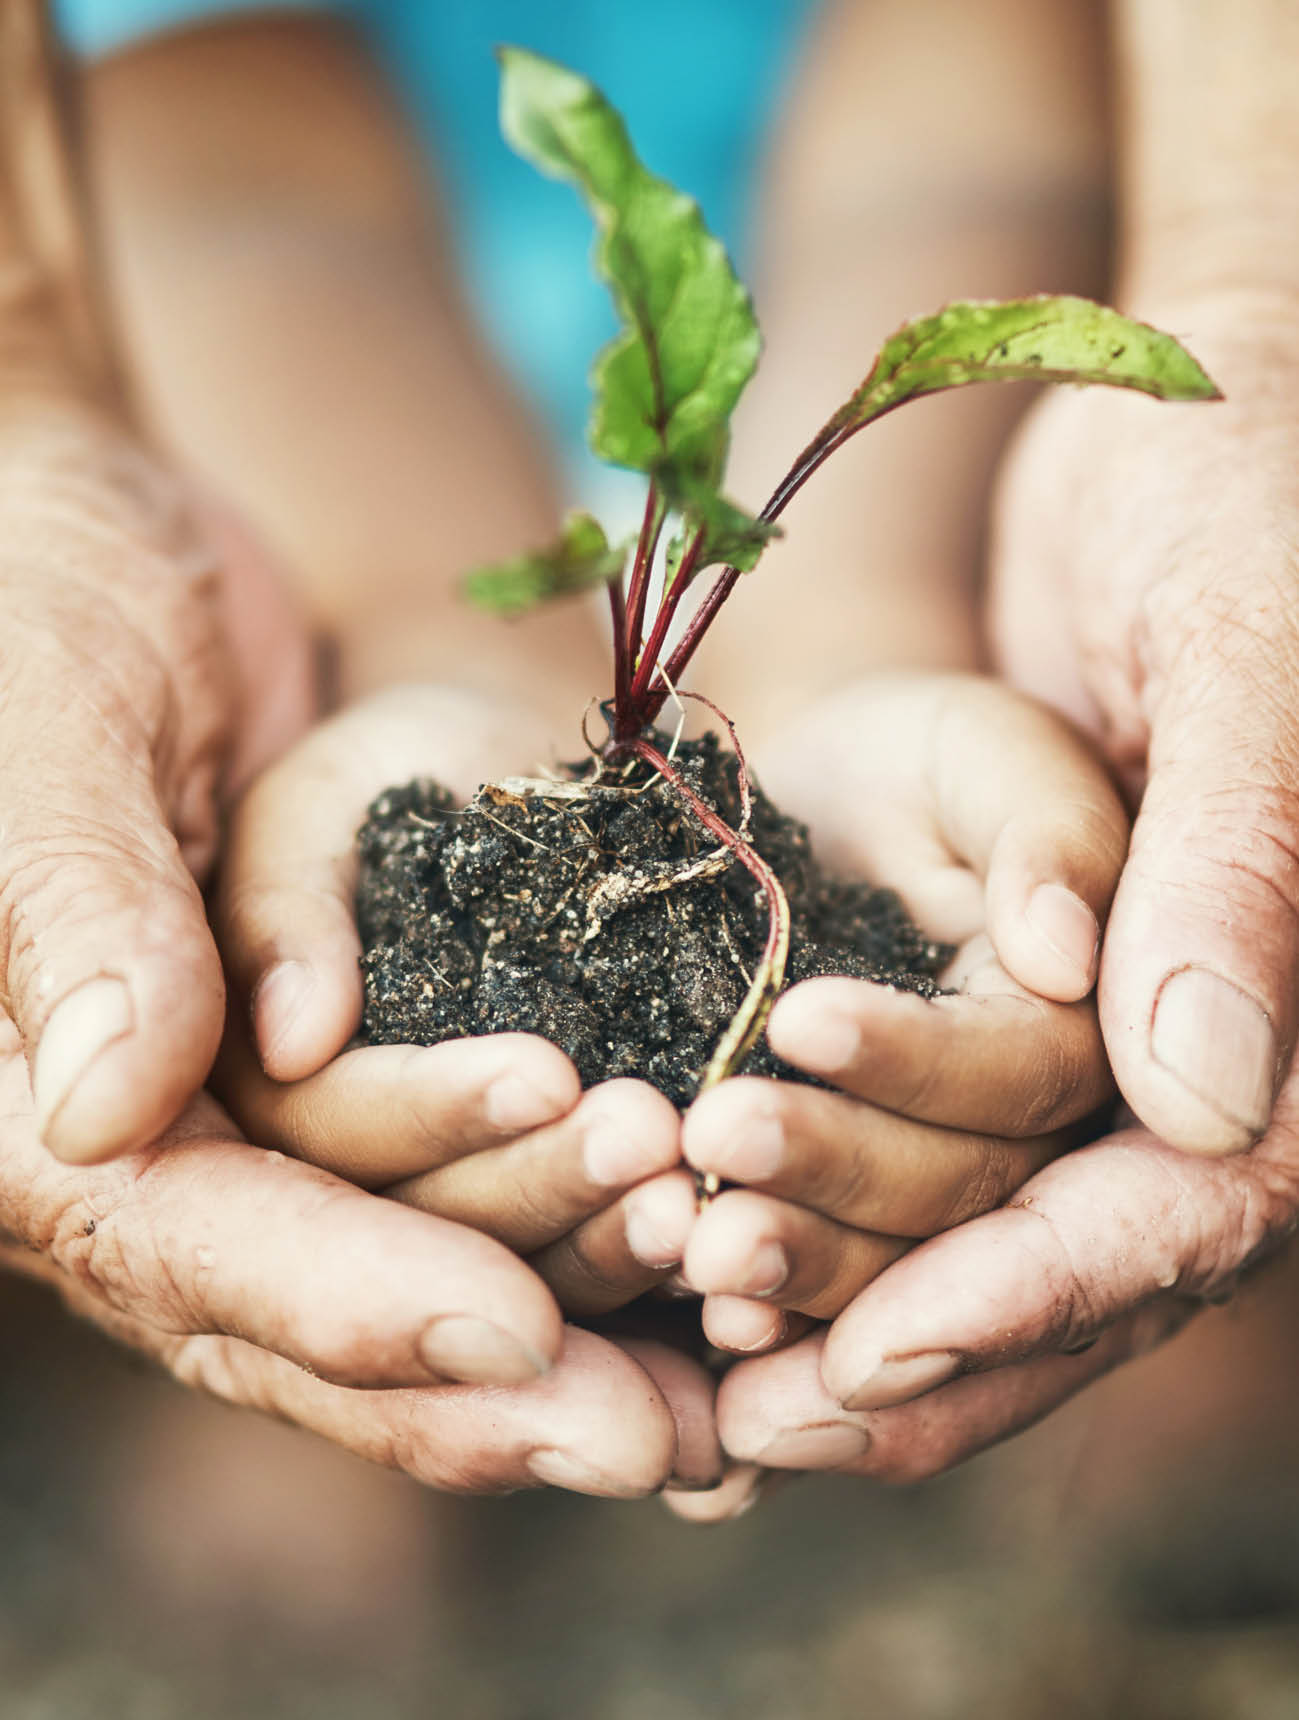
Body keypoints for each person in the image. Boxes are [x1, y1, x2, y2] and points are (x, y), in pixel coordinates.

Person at [2, 0, 1295, 1517]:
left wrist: (873, 615)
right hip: (297, 387)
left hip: (959, 223)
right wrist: (417, 629)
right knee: (286, 1039)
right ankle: (322, 1351)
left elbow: (977, 133)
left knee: (1166, 848)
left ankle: (1215, 1308)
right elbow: (220, 159)